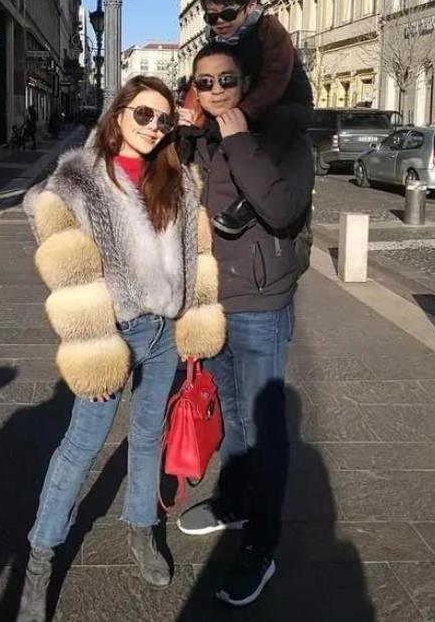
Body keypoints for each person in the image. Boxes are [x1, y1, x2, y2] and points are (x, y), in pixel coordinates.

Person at [17, 76, 226, 622]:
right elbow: (68, 272)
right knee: (80, 446)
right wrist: (92, 345)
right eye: (143, 114)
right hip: (109, 334)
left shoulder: (178, 178)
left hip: (164, 332)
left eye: (163, 119)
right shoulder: (77, 179)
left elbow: (198, 254)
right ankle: (40, 559)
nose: (153, 127)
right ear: (118, 113)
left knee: (149, 435)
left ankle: (141, 528)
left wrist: (195, 325)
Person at [177, 44, 315, 607]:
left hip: (261, 302)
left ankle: (261, 545)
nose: (214, 91)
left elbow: (281, 209)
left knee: (264, 431)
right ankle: (235, 502)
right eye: (203, 82)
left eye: (226, 79)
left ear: (248, 81)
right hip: (214, 301)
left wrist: (238, 139)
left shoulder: (283, 135)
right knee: (231, 415)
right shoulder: (202, 138)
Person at [190, 0, 314, 237]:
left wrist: (242, 113)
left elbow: (275, 78)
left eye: (227, 14)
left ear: (250, 6)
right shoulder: (218, 39)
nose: (219, 22)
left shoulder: (270, 29)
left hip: (289, 103)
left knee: (276, 131)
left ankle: (246, 205)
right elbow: (201, 77)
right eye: (211, 16)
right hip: (249, 105)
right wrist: (190, 117)